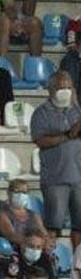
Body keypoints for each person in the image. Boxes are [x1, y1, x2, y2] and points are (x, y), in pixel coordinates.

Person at [31, 71, 81, 249]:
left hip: (78, 178)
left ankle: (78, 264)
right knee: (53, 227)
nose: (65, 91)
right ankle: (50, 261)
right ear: (50, 89)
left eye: (68, 87)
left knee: (79, 226)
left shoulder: (77, 110)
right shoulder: (41, 113)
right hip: (55, 179)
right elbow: (40, 140)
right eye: (61, 87)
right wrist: (69, 135)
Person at [0, 179, 48, 248]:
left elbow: (44, 234)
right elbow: (11, 236)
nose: (21, 195)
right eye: (17, 191)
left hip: (35, 248)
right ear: (8, 192)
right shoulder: (2, 214)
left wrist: (40, 242)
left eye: (24, 192)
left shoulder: (34, 215)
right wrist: (32, 242)